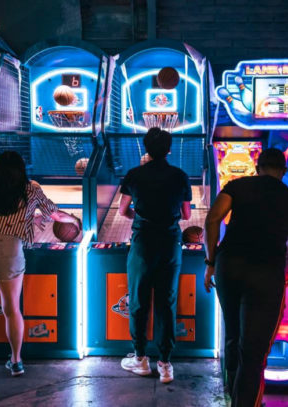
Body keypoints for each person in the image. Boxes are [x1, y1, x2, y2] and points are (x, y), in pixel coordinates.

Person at [0, 151, 80, 401]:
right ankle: (16, 361)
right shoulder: (30, 190)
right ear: (21, 169)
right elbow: (55, 214)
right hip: (8, 249)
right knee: (11, 309)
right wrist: (76, 221)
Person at [204, 148, 288, 407]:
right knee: (254, 352)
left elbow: (213, 219)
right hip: (266, 273)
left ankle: (232, 391)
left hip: (230, 267)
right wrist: (285, 275)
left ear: (257, 167)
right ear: (284, 171)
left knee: (233, 334)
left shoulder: (238, 186)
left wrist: (211, 261)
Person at [118, 127, 192, 384]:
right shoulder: (180, 176)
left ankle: (140, 359)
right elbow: (186, 215)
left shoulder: (134, 175)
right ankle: (165, 364)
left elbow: (123, 210)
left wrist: (139, 216)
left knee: (138, 300)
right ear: (169, 149)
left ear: (146, 148)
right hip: (170, 242)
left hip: (143, 241)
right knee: (166, 302)